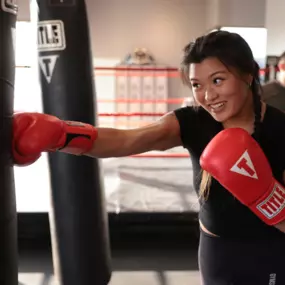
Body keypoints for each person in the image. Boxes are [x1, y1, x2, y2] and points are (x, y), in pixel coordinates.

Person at [13, 31, 285, 284]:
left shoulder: (280, 129)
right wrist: (62, 135)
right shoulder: (193, 122)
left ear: (248, 75)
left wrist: (266, 198)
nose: (207, 96)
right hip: (218, 252)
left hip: (269, 248)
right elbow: (126, 139)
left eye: (217, 80)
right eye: (196, 84)